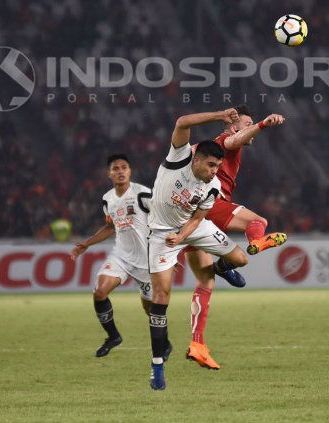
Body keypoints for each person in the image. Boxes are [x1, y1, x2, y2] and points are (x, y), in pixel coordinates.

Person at [147, 108, 250, 390]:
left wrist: (183, 237)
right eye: (210, 166)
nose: (214, 172)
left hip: (190, 229)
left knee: (241, 258)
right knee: (161, 296)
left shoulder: (212, 185)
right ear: (196, 160)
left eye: (218, 166)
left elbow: (197, 220)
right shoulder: (177, 159)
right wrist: (218, 116)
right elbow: (181, 122)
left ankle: (218, 269)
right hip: (160, 234)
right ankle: (157, 367)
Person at [185, 105, 287, 370]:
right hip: (210, 206)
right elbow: (235, 139)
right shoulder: (225, 143)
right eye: (248, 122)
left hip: (188, 218)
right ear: (233, 126)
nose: (251, 127)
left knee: (205, 281)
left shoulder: (200, 150)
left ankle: (197, 344)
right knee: (258, 222)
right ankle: (255, 242)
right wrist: (263, 124)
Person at [70, 154, 171, 359]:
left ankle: (164, 342)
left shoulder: (142, 194)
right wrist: (87, 244)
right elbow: (110, 227)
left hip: (147, 261)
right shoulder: (108, 199)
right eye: (115, 169)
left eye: (124, 167)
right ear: (109, 174)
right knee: (100, 291)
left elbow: (163, 218)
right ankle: (113, 336)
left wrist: (168, 252)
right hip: (122, 257)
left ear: (130, 171)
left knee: (151, 309)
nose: (120, 171)